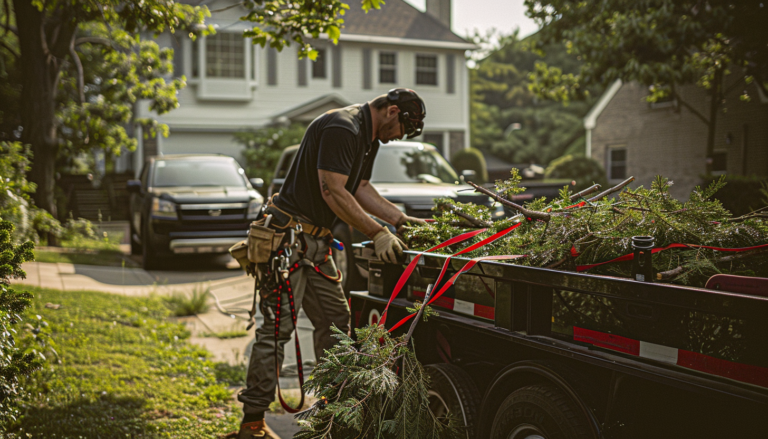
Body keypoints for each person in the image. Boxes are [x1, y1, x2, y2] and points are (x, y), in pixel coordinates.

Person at [226, 89, 428, 439]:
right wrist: (378, 232)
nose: (398, 138)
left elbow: (360, 186)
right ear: (391, 111)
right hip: (287, 242)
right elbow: (332, 190)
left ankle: (333, 416)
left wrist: (400, 220)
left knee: (335, 323)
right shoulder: (343, 127)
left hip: (316, 244)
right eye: (401, 129)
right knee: (276, 333)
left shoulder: (369, 138)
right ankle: (252, 424)